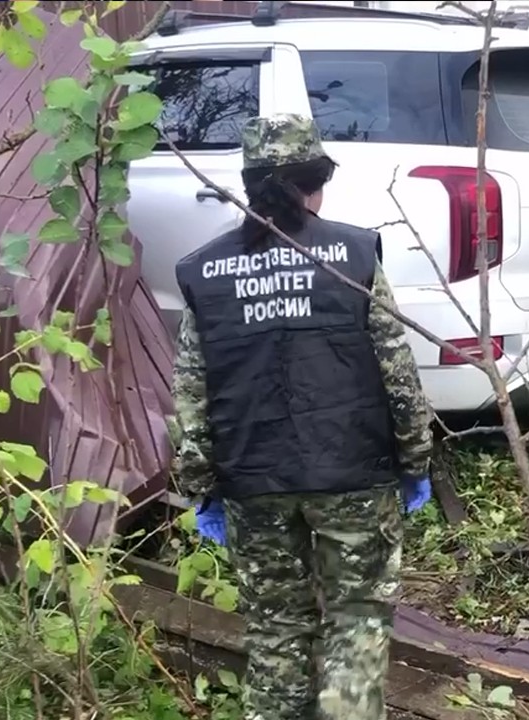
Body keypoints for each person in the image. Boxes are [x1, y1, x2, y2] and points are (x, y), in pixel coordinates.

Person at [168, 113, 434, 720]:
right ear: (317, 183)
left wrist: (200, 486)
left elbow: (191, 393)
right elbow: (397, 369)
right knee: (357, 621)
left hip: (251, 482)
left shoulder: (203, 271)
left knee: (275, 628)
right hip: (354, 476)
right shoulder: (355, 253)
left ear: (248, 181)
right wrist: (415, 459)